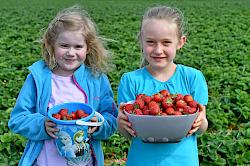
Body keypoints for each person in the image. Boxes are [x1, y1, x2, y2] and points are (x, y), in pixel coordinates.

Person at [8, 6, 118, 166]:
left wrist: (99, 124)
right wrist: (42, 125)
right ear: (51, 46)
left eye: (78, 46)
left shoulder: (96, 78)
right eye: (64, 46)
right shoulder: (38, 78)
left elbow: (111, 118)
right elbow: (17, 119)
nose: (71, 53)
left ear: (88, 48)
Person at [117, 6, 208, 166]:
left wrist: (200, 122)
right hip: (141, 161)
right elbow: (128, 133)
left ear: (180, 42)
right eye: (151, 42)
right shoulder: (130, 80)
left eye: (166, 42)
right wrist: (121, 122)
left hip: (183, 161)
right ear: (141, 41)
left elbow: (202, 127)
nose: (158, 50)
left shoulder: (193, 77)